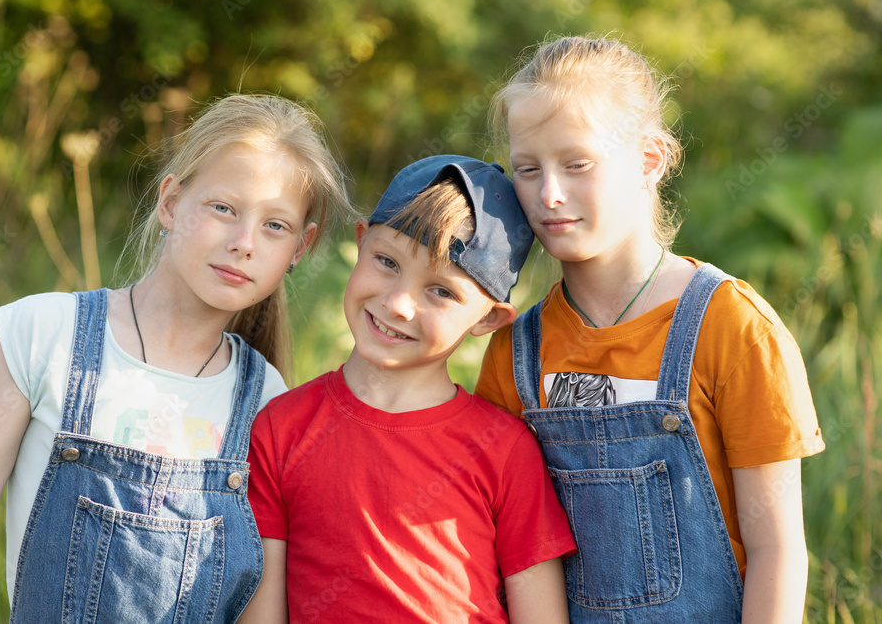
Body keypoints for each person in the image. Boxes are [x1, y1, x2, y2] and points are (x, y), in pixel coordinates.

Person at [0, 93, 351, 623]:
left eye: (275, 226)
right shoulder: (45, 335)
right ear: (170, 203)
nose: (245, 242)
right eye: (224, 208)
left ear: (300, 249)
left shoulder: (267, 399)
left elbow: (256, 606)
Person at [476, 35, 826, 623]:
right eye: (528, 169)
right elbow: (509, 552)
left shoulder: (732, 327)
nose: (549, 194)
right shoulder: (515, 350)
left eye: (577, 163)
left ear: (649, 160)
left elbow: (777, 549)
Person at [239, 155, 577, 624]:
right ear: (360, 244)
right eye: (386, 261)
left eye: (441, 291)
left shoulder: (505, 451)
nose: (398, 304)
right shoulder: (281, 428)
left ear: (488, 318)